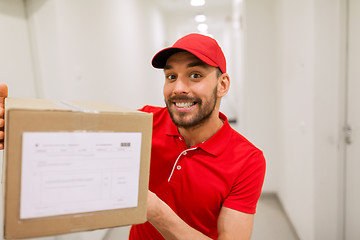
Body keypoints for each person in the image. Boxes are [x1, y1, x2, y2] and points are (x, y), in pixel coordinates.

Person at [0, 33, 265, 240]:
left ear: (223, 85)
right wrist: (14, 129)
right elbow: (76, 148)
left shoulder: (248, 161)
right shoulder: (144, 123)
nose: (178, 88)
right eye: (171, 76)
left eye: (195, 75)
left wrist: (155, 211)